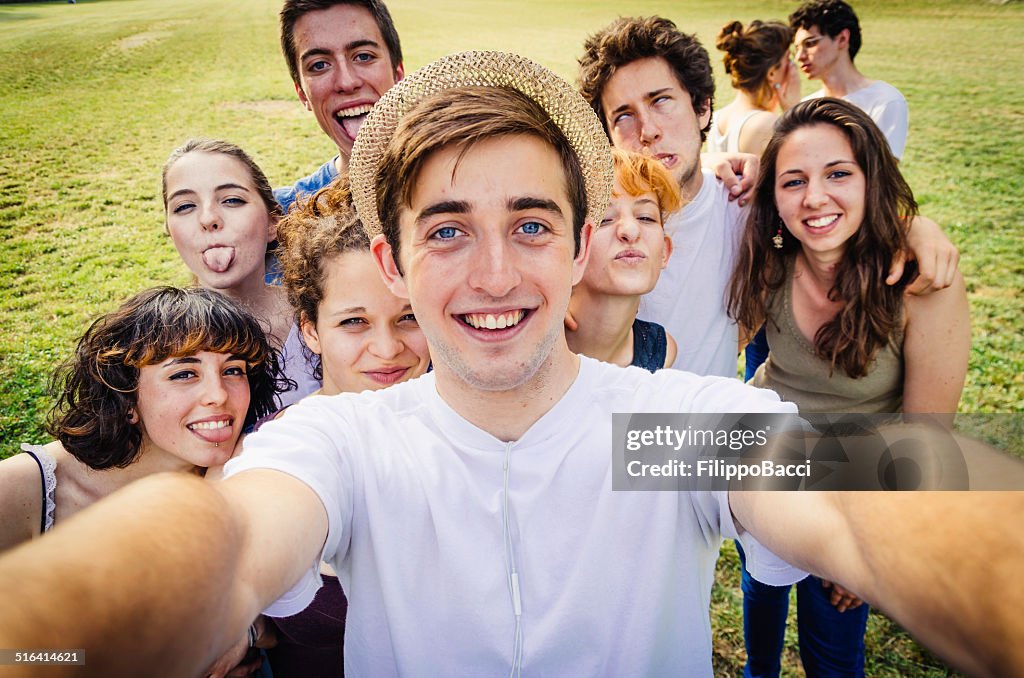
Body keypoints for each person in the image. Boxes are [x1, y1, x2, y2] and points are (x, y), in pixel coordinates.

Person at [0, 52, 1021, 678]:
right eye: (447, 232)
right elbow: (222, 541)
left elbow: (858, 490)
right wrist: (52, 631)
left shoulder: (657, 433)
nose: (495, 275)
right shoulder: (348, 444)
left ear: (579, 247)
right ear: (393, 264)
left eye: (530, 224)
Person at [727, 97, 970, 677]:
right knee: (760, 585)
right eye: (793, 181)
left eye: (838, 174)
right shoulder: (770, 260)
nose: (814, 198)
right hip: (774, 462)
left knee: (832, 647)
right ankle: (758, 670)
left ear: (872, 179)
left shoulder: (920, 283)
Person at [577, 16, 956, 379]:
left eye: (661, 101)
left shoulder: (744, 204)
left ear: (703, 108)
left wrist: (915, 228)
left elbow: (842, 219)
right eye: (623, 116)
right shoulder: (589, 220)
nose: (648, 130)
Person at [0, 286, 285, 553]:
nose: (218, 395)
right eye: (184, 374)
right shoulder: (19, 490)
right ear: (126, 396)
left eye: (233, 370)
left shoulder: (258, 476)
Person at [162, 138, 318, 406]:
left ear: (273, 222)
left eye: (232, 200)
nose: (208, 219)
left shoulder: (322, 317)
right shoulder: (155, 340)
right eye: (185, 206)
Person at [274, 0, 405, 214]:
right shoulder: (285, 216)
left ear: (398, 76)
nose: (346, 82)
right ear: (302, 93)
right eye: (319, 65)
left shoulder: (464, 180)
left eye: (364, 56)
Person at [566, 148, 680, 371]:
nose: (630, 230)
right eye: (605, 219)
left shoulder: (661, 350)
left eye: (646, 217)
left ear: (664, 252)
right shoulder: (529, 341)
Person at [790, 0, 909, 159]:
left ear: (842, 39)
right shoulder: (804, 106)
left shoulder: (885, 101)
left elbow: (881, 175)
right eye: (797, 48)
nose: (800, 56)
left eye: (810, 43)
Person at [711, 19, 800, 156]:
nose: (793, 66)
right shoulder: (767, 124)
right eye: (788, 59)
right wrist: (794, 111)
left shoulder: (717, 118)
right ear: (771, 73)